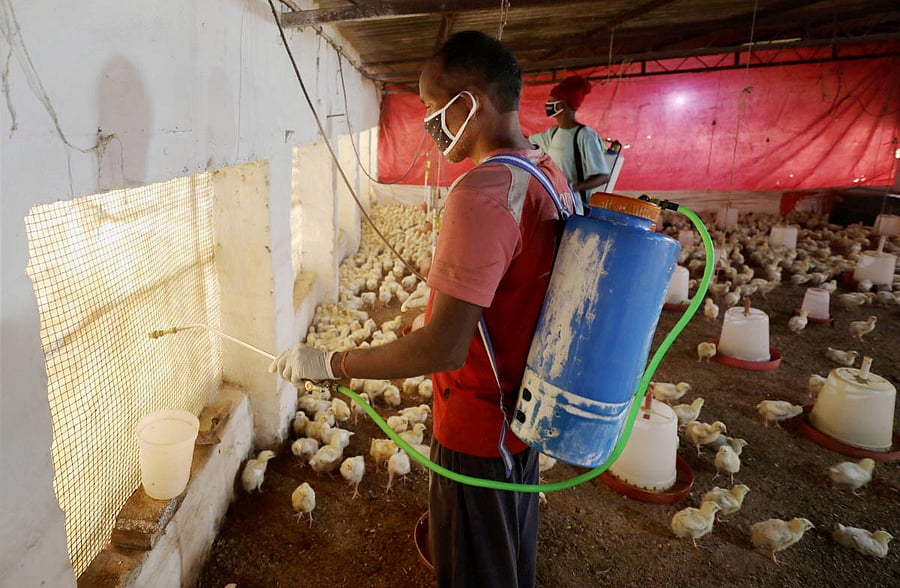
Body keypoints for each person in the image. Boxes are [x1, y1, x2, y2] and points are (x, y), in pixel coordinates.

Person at [270, 30, 575, 588]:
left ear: (472, 103)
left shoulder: (483, 191)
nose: (430, 124)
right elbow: (508, 296)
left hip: (481, 425)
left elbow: (444, 347)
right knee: (505, 554)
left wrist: (332, 364)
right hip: (523, 412)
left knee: (476, 571)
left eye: (435, 108)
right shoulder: (546, 173)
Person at [529, 75, 610, 212]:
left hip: (574, 209)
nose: (547, 103)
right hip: (556, 204)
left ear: (562, 105)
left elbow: (603, 177)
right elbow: (525, 140)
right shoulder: (552, 133)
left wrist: (571, 187)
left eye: (551, 99)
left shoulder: (584, 135)